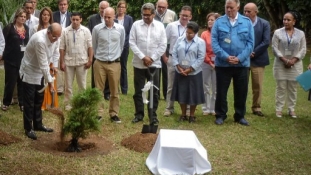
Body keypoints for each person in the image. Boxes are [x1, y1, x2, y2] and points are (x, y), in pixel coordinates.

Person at [211, 0, 254, 126]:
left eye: (231, 8)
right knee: (221, 91)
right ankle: (220, 115)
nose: (229, 10)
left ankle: (239, 116)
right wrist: (225, 57)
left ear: (238, 7)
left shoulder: (246, 22)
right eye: (227, 7)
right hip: (223, 64)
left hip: (241, 64)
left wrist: (240, 58)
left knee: (241, 91)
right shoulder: (219, 22)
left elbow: (250, 44)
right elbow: (214, 43)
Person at [19, 23, 62, 140]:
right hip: (30, 70)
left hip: (42, 71)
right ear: (48, 32)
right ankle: (28, 128)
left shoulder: (56, 37)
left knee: (39, 99)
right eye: (54, 37)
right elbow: (43, 64)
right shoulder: (40, 40)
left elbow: (56, 53)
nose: (57, 39)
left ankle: (38, 124)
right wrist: (50, 83)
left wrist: (55, 66)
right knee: (29, 101)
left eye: (58, 37)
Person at [130, 3, 167, 124]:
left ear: (153, 14)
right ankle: (139, 114)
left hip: (154, 65)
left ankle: (153, 116)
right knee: (139, 90)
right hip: (139, 64)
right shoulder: (136, 25)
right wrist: (143, 57)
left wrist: (151, 58)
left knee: (154, 91)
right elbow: (132, 42)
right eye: (143, 15)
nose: (145, 17)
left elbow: (163, 45)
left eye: (148, 15)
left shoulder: (160, 26)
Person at [92, 7, 125, 123]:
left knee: (114, 90)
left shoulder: (120, 29)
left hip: (114, 63)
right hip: (100, 63)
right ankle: (98, 113)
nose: (106, 19)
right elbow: (94, 45)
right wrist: (99, 57)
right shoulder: (97, 29)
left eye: (109, 17)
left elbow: (121, 46)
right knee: (98, 90)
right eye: (105, 17)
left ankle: (113, 113)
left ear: (114, 17)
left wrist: (114, 57)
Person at [272, 11, 306, 118]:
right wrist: (285, 60)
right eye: (284, 19)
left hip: (295, 65)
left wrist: (294, 60)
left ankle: (291, 109)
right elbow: (274, 48)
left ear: (294, 21)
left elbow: (303, 49)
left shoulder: (301, 34)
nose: (285, 22)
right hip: (280, 63)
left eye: (288, 20)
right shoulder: (277, 32)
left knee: (293, 88)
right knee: (280, 87)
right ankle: (279, 109)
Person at [171, 21, 206, 123]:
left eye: (190, 33)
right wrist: (178, 66)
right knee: (182, 93)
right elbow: (174, 52)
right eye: (187, 32)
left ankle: (191, 115)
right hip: (180, 71)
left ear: (195, 33)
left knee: (193, 94)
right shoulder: (180, 39)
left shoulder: (200, 42)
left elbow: (200, 58)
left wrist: (190, 69)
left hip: (194, 73)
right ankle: (183, 114)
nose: (188, 35)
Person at [60, 12, 93, 111]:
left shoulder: (86, 31)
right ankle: (68, 104)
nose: (75, 21)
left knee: (82, 85)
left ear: (81, 20)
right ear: (70, 19)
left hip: (82, 62)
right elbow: (62, 48)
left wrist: (90, 60)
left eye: (77, 19)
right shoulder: (65, 31)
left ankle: (82, 103)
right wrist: (62, 62)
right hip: (68, 62)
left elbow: (90, 46)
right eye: (73, 19)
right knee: (68, 85)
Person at [163, 5, 192, 117]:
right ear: (179, 14)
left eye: (187, 16)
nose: (184, 17)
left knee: (187, 85)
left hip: (187, 61)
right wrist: (164, 57)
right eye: (182, 15)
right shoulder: (171, 26)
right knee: (170, 85)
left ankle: (188, 109)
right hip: (172, 59)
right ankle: (169, 108)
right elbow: (164, 41)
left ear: (190, 16)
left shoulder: (192, 27)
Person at [30, 7, 60, 111]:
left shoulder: (56, 29)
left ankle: (49, 104)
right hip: (39, 61)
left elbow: (56, 51)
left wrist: (55, 65)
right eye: (44, 14)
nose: (45, 16)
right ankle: (40, 105)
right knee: (40, 83)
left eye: (48, 15)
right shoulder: (35, 28)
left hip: (50, 62)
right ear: (41, 16)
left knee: (50, 82)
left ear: (50, 16)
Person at [244, 3, 270, 117]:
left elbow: (266, 41)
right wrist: (245, 53)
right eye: (244, 11)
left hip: (258, 59)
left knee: (257, 85)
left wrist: (253, 52)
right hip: (243, 59)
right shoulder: (241, 23)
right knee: (241, 85)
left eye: (248, 11)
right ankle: (240, 107)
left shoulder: (264, 24)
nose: (246, 13)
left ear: (256, 12)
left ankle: (256, 107)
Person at [1, 8, 29, 112]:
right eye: (21, 16)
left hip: (23, 60)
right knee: (10, 82)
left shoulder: (26, 28)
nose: (23, 18)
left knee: (22, 82)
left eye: (24, 17)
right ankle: (6, 102)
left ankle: (22, 103)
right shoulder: (9, 28)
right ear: (16, 17)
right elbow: (3, 42)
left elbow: (27, 42)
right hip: (10, 60)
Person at [88, 0, 111, 100]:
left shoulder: (112, 19)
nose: (103, 10)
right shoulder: (92, 19)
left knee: (108, 72)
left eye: (105, 8)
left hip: (109, 50)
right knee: (96, 72)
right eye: (102, 8)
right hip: (96, 49)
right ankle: (95, 92)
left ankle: (107, 93)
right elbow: (89, 34)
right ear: (99, 9)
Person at [155, 0, 177, 100]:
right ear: (156, 5)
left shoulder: (172, 14)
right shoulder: (152, 13)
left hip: (167, 46)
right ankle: (155, 93)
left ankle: (165, 94)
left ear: (167, 6)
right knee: (155, 70)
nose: (161, 9)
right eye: (159, 6)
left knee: (166, 70)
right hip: (154, 45)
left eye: (163, 7)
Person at [201, 12, 220, 116]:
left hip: (218, 63)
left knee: (216, 87)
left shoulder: (221, 33)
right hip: (206, 63)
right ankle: (206, 108)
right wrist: (209, 62)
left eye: (212, 20)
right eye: (208, 19)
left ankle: (214, 108)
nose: (209, 21)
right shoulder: (204, 34)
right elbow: (202, 50)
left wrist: (216, 63)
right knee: (206, 86)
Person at [53, 0, 72, 96]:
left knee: (67, 64)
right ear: (58, 5)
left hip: (68, 43)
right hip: (56, 41)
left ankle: (68, 87)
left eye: (65, 4)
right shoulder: (54, 15)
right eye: (61, 4)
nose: (63, 6)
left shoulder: (72, 16)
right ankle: (60, 88)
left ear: (67, 5)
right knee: (58, 62)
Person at [116, 0, 133, 95]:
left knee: (123, 67)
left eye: (123, 7)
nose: (121, 9)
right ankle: (115, 88)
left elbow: (130, 33)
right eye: (120, 7)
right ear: (117, 8)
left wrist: (125, 43)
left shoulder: (129, 19)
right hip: (114, 46)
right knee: (114, 67)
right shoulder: (113, 18)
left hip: (125, 46)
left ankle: (124, 89)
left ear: (125, 9)